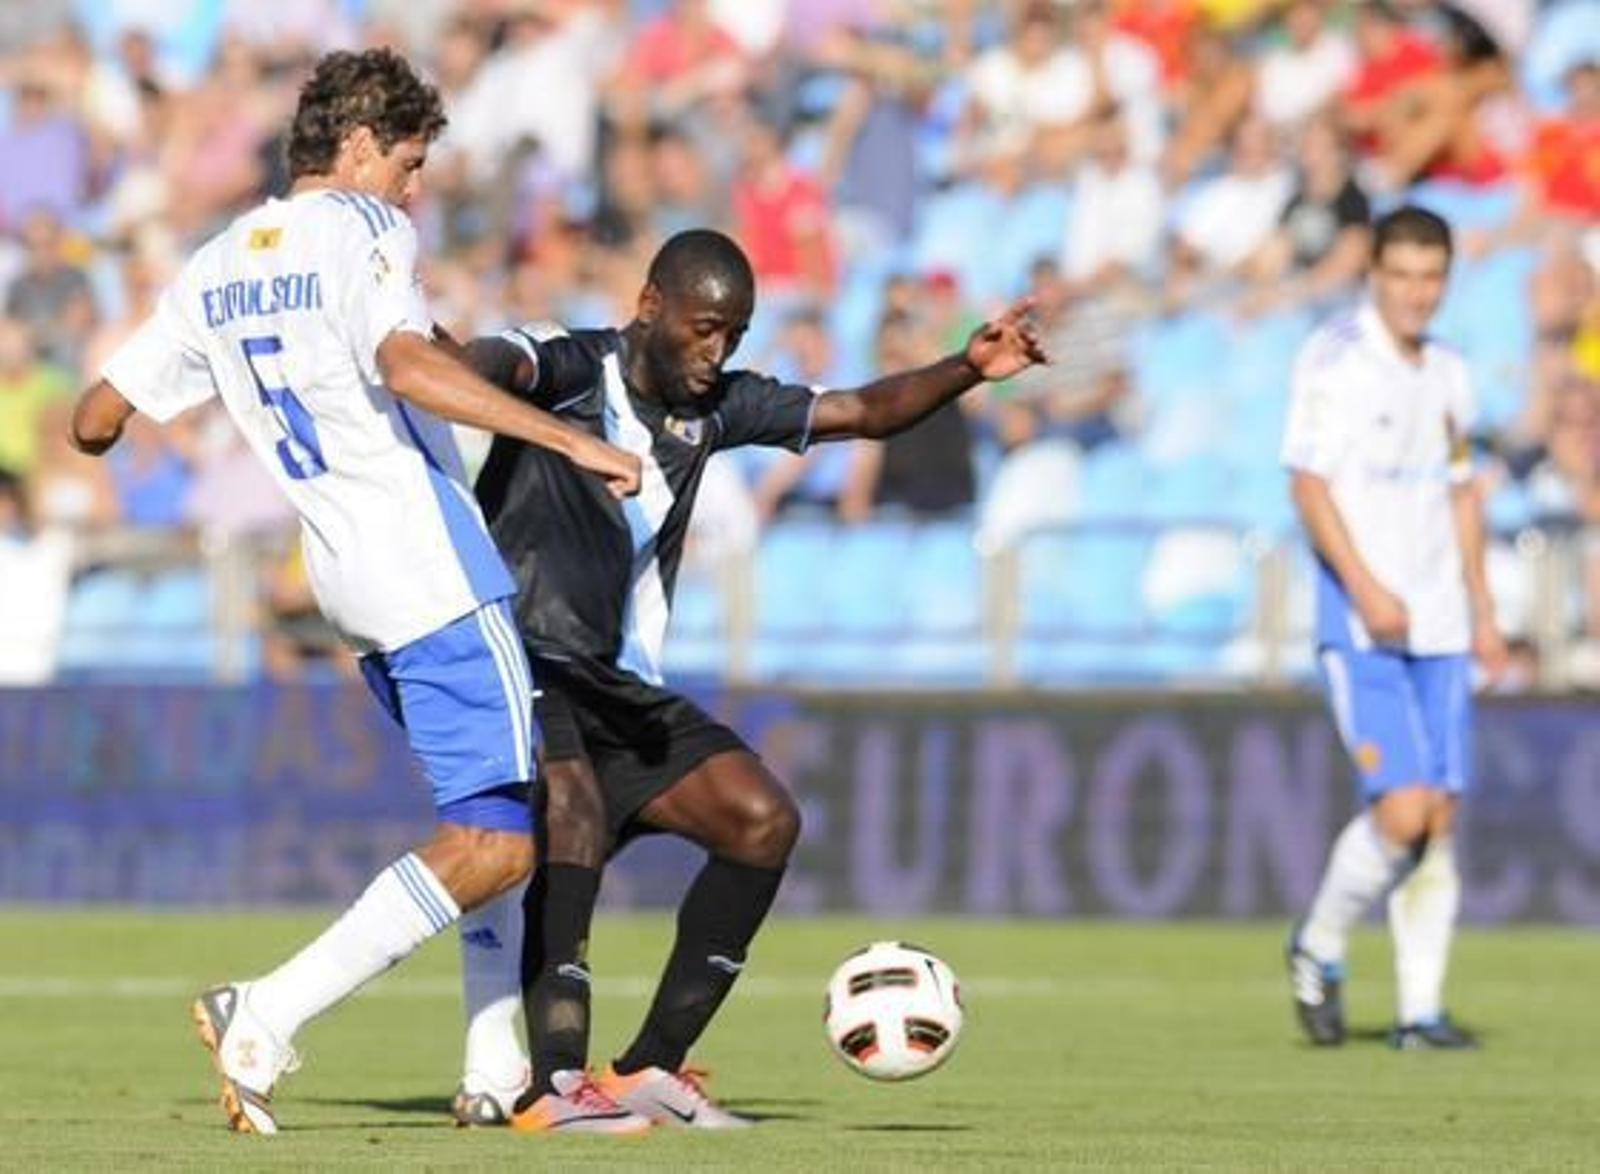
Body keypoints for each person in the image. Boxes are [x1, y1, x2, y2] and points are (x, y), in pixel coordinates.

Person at [67, 48, 641, 1135]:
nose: (415, 189)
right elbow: (403, 364)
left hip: (341, 577)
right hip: (428, 561)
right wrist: (563, 437)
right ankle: (267, 1010)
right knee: (503, 838)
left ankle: (491, 1067)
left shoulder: (217, 262)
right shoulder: (367, 230)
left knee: (488, 810)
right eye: (412, 162)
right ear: (364, 143)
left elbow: (95, 419)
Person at [449, 227, 1045, 1130]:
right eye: (702, 330)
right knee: (569, 813)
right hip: (528, 663)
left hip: (622, 688)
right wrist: (455, 357)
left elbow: (860, 412)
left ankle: (652, 1065)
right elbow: (493, 363)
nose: (715, 351)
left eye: (731, 334)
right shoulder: (571, 370)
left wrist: (966, 366)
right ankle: (555, 1086)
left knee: (764, 822)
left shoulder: (718, 410)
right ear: (650, 306)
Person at [1281, 205, 1508, 1051]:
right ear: (1373, 273)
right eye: (1401, 276)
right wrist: (1368, 586)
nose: (1416, 294)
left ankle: (1419, 1012)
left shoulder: (1449, 371)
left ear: (1445, 281)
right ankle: (1319, 942)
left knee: (1440, 813)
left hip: (1443, 619)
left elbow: (1460, 494)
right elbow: (1308, 485)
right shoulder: (1336, 360)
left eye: (1430, 278)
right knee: (1404, 809)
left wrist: (1484, 610)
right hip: (1365, 620)